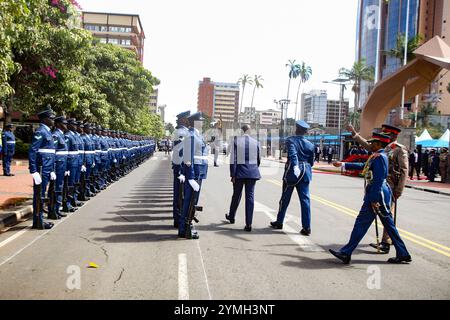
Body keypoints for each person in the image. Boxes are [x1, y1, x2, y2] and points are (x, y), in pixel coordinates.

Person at [330, 132, 411, 264]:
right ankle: (346, 252)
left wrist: (374, 199)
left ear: (379, 144)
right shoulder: (376, 156)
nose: (371, 144)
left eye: (373, 142)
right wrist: (343, 164)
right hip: (375, 192)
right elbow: (364, 167)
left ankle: (346, 252)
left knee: (381, 224)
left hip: (378, 194)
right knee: (371, 223)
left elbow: (379, 179)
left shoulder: (380, 157)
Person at [347, 124, 408, 254]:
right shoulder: (382, 147)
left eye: (386, 134)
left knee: (386, 216)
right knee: (385, 217)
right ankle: (397, 249)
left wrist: (399, 190)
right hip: (378, 185)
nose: (384, 135)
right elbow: (368, 146)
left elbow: (404, 170)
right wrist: (354, 134)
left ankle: (386, 242)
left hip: (389, 186)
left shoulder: (399, 149)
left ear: (393, 136)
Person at [270, 120, 314, 236]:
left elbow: (293, 154)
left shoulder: (290, 140)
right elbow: (311, 162)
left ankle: (279, 222)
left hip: (292, 173)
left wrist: (295, 166)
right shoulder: (310, 144)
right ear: (305, 132)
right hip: (305, 173)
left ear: (296, 129)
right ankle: (307, 227)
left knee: (285, 198)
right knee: (305, 201)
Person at [225, 125, 261, 232]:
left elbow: (233, 160)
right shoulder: (256, 142)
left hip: (239, 173)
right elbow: (258, 160)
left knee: (236, 195)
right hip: (252, 173)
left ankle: (231, 217)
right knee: (250, 198)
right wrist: (253, 169)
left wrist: (233, 174)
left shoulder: (236, 141)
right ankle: (249, 223)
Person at [178, 112, 208, 239]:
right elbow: (188, 158)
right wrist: (190, 178)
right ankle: (184, 228)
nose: (202, 123)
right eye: (200, 121)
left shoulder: (196, 135)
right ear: (195, 122)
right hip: (194, 174)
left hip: (199, 173)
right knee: (189, 201)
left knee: (193, 202)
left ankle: (188, 225)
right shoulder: (190, 136)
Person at [29, 107, 57, 230]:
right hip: (40, 168)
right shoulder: (41, 132)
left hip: (46, 168)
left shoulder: (48, 132)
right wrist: (33, 170)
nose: (53, 120)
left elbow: (50, 153)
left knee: (42, 194)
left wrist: (51, 170)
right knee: (39, 195)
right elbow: (32, 151)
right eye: (51, 118)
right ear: (45, 119)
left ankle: (39, 220)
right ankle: (38, 221)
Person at [172, 110, 190, 228]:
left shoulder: (178, 131)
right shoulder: (182, 132)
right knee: (180, 194)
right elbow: (180, 151)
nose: (189, 121)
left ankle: (177, 217)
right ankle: (179, 219)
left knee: (178, 193)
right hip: (181, 167)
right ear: (183, 119)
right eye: (187, 118)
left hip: (178, 166)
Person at [50, 116, 69, 220]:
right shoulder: (56, 135)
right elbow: (53, 153)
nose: (65, 125)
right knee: (56, 188)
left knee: (60, 187)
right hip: (57, 166)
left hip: (62, 165)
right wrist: (52, 169)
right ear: (57, 124)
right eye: (63, 123)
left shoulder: (61, 135)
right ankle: (53, 210)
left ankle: (57, 209)